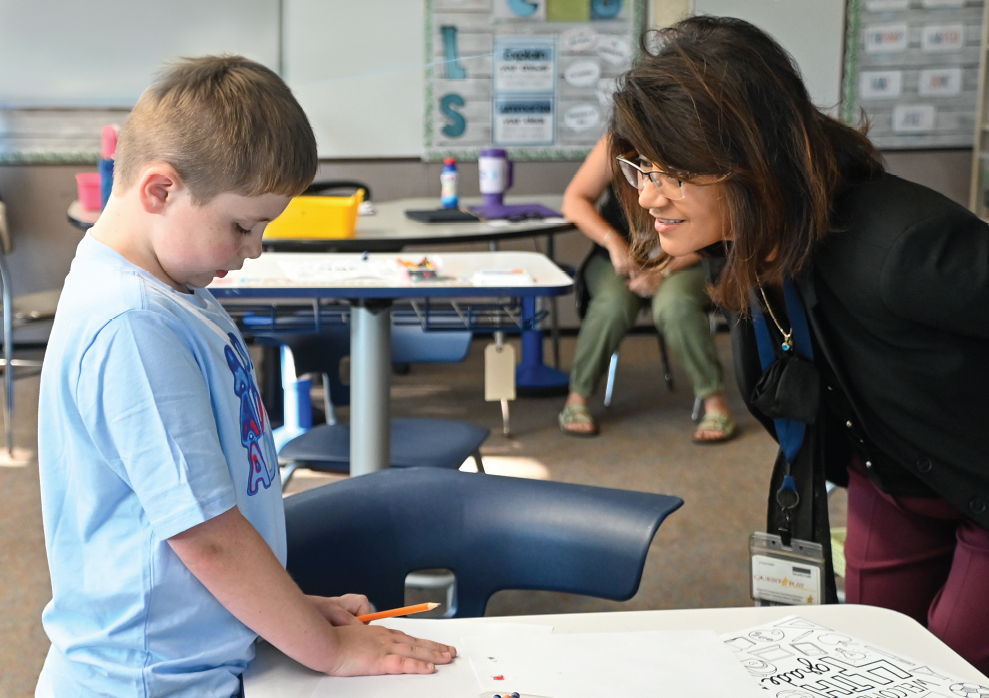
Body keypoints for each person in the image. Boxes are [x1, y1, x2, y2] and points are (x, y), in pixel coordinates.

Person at [35, 56, 455, 697]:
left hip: (193, 656)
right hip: (149, 680)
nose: (255, 247)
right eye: (242, 225)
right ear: (160, 190)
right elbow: (207, 538)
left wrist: (286, 614)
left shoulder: (173, 289)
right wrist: (332, 651)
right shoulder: (131, 323)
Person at [607, 16, 989, 673]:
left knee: (952, 660)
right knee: (866, 655)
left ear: (752, 164)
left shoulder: (902, 247)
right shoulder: (746, 240)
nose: (646, 196)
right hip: (887, 474)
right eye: (641, 166)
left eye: (672, 173)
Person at [558, 136, 736, 442]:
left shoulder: (698, 138)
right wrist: (614, 243)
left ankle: (715, 402)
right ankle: (577, 399)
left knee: (675, 305)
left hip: (687, 259)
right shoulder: (616, 142)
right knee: (612, 304)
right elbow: (574, 200)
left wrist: (664, 270)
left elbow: (720, 226)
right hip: (620, 257)